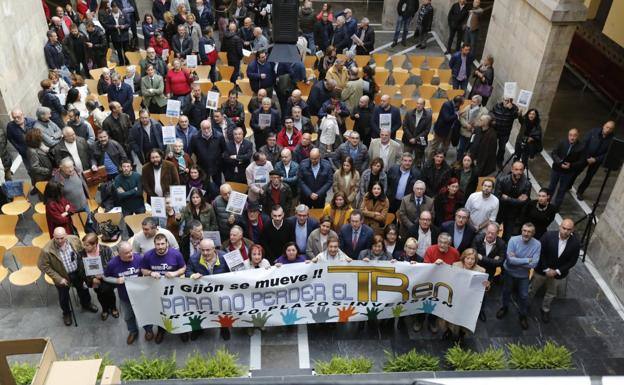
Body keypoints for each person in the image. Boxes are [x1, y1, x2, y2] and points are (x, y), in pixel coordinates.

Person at [38, 227, 98, 326]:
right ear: (53, 236)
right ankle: (66, 313)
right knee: (63, 297)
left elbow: (82, 252)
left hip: (77, 272)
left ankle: (86, 304)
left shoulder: (74, 239)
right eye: (57, 238)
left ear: (66, 235)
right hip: (62, 276)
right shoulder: (46, 250)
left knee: (83, 289)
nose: (60, 240)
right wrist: (58, 278)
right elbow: (42, 265)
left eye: (62, 238)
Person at [529, 219, 580, 323]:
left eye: (568, 229)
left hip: (558, 275)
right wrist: (546, 269)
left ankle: (545, 309)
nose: (565, 231)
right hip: (541, 270)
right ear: (560, 226)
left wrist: (557, 271)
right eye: (564, 228)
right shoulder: (548, 236)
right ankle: (525, 304)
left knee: (551, 293)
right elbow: (540, 252)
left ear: (572, 230)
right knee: (532, 288)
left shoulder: (575, 243)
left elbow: (572, 261)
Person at [141, 233, 186, 343]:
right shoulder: (148, 255)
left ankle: (182, 331)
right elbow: (142, 270)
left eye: (162, 244)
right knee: (161, 311)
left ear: (167, 244)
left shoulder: (176, 254)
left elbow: (183, 268)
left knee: (177, 310)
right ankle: (161, 331)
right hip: (157, 290)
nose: (160, 246)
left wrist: (175, 273)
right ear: (154, 244)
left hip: (174, 289)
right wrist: (151, 273)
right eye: (158, 244)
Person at [497, 222, 541, 330]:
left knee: (524, 296)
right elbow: (510, 260)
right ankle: (504, 307)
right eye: (524, 231)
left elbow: (534, 263)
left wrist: (517, 259)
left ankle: (523, 315)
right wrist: (527, 260)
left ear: (533, 233)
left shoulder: (537, 244)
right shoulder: (513, 240)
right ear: (521, 231)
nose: (526, 233)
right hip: (509, 272)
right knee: (506, 291)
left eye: (529, 232)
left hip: (523, 275)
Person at [414, 233, 459, 333]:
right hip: (429, 281)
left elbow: (456, 269)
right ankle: (419, 321)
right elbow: (425, 267)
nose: (442, 245)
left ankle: (432, 321)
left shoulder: (455, 252)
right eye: (440, 242)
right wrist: (434, 264)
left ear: (449, 244)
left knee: (437, 303)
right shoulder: (430, 249)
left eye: (445, 243)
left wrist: (445, 266)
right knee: (424, 301)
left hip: (444, 283)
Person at [448, 248, 489, 341]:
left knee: (465, 319)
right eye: (468, 258)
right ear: (463, 258)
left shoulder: (481, 271)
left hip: (470, 301)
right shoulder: (455, 265)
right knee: (451, 317)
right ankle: (449, 331)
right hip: (456, 297)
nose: (470, 261)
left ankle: (462, 334)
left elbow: (483, 289)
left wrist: (487, 286)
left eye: (472, 259)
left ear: (475, 260)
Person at [79, 233, 117, 321]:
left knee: (109, 292)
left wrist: (104, 274)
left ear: (95, 244)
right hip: (93, 279)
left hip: (107, 277)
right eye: (84, 244)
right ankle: (105, 309)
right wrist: (92, 279)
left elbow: (114, 265)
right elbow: (81, 271)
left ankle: (113, 308)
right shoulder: (82, 254)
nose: (84, 247)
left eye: (87, 245)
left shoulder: (106, 250)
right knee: (100, 294)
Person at [576, 121, 615, 200]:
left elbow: (608, 153)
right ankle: (568, 186)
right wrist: (587, 157)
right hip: (586, 156)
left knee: (589, 177)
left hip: (596, 161)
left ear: (612, 130)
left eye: (610, 129)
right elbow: (584, 143)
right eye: (607, 127)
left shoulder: (612, 139)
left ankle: (580, 192)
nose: (608, 130)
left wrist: (595, 159)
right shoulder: (594, 131)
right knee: (576, 171)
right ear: (604, 126)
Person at [548, 128, 585, 208]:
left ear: (578, 136)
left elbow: (581, 161)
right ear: (568, 135)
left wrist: (571, 165)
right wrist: (560, 162)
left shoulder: (581, 147)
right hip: (557, 169)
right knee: (551, 187)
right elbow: (554, 153)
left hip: (568, 172)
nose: (572, 137)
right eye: (570, 135)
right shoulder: (562, 142)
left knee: (562, 189)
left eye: (574, 135)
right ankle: (546, 202)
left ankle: (556, 206)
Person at [494, 161, 531, 240]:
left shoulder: (527, 184)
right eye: (516, 169)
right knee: (492, 232)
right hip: (499, 211)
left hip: (513, 214)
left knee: (507, 237)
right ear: (512, 169)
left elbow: (523, 202)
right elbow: (497, 197)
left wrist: (507, 198)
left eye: (521, 170)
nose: (519, 172)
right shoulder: (502, 180)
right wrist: (516, 200)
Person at [491, 97, 520, 169]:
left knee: (502, 148)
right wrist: (492, 118)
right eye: (505, 100)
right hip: (495, 130)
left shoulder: (514, 108)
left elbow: (516, 116)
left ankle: (499, 162)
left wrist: (511, 109)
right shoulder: (497, 106)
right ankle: (490, 161)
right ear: (502, 100)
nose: (506, 102)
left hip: (505, 132)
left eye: (508, 101)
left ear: (511, 101)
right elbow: (491, 112)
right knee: (491, 146)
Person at [457, 95, 488, 161]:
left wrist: (473, 127)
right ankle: (458, 162)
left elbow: (483, 123)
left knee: (469, 151)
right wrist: (466, 125)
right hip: (464, 132)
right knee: (460, 149)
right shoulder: (468, 107)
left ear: (479, 103)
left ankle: (465, 164)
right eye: (471, 101)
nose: (471, 103)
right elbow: (461, 117)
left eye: (474, 102)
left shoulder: (484, 111)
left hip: (473, 134)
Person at [401, 98, 431, 167]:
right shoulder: (409, 113)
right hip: (408, 139)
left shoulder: (428, 116)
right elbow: (405, 126)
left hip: (420, 140)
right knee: (406, 157)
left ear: (424, 105)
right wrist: (411, 138)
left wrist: (416, 139)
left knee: (418, 159)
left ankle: (415, 170)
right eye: (417, 103)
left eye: (420, 104)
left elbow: (426, 130)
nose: (418, 105)